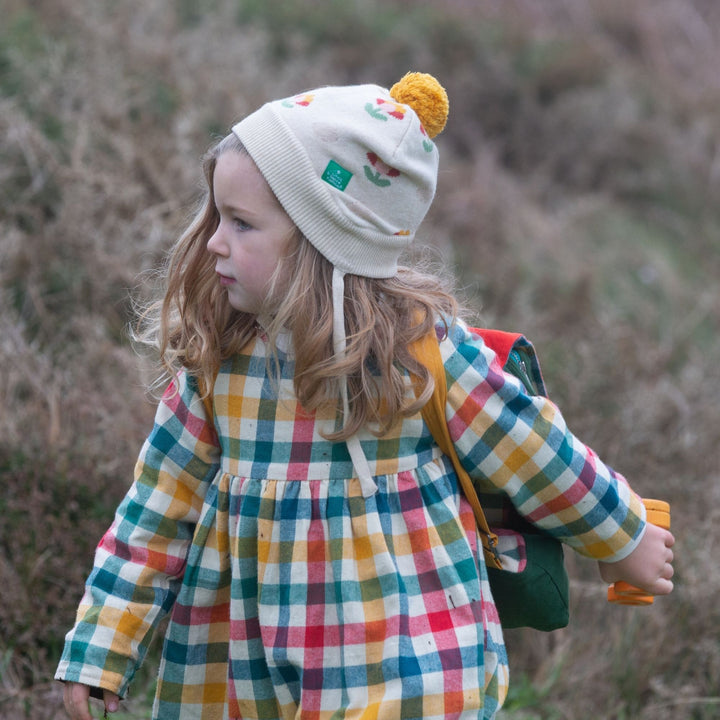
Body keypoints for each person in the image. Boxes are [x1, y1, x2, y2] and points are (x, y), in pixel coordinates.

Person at [56, 72, 674, 720]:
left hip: (405, 662)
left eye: (241, 223)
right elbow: (153, 514)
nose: (213, 240)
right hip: (242, 673)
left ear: (328, 238)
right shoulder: (219, 367)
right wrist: (102, 646)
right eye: (216, 217)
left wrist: (625, 536)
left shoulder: (419, 357)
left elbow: (536, 453)